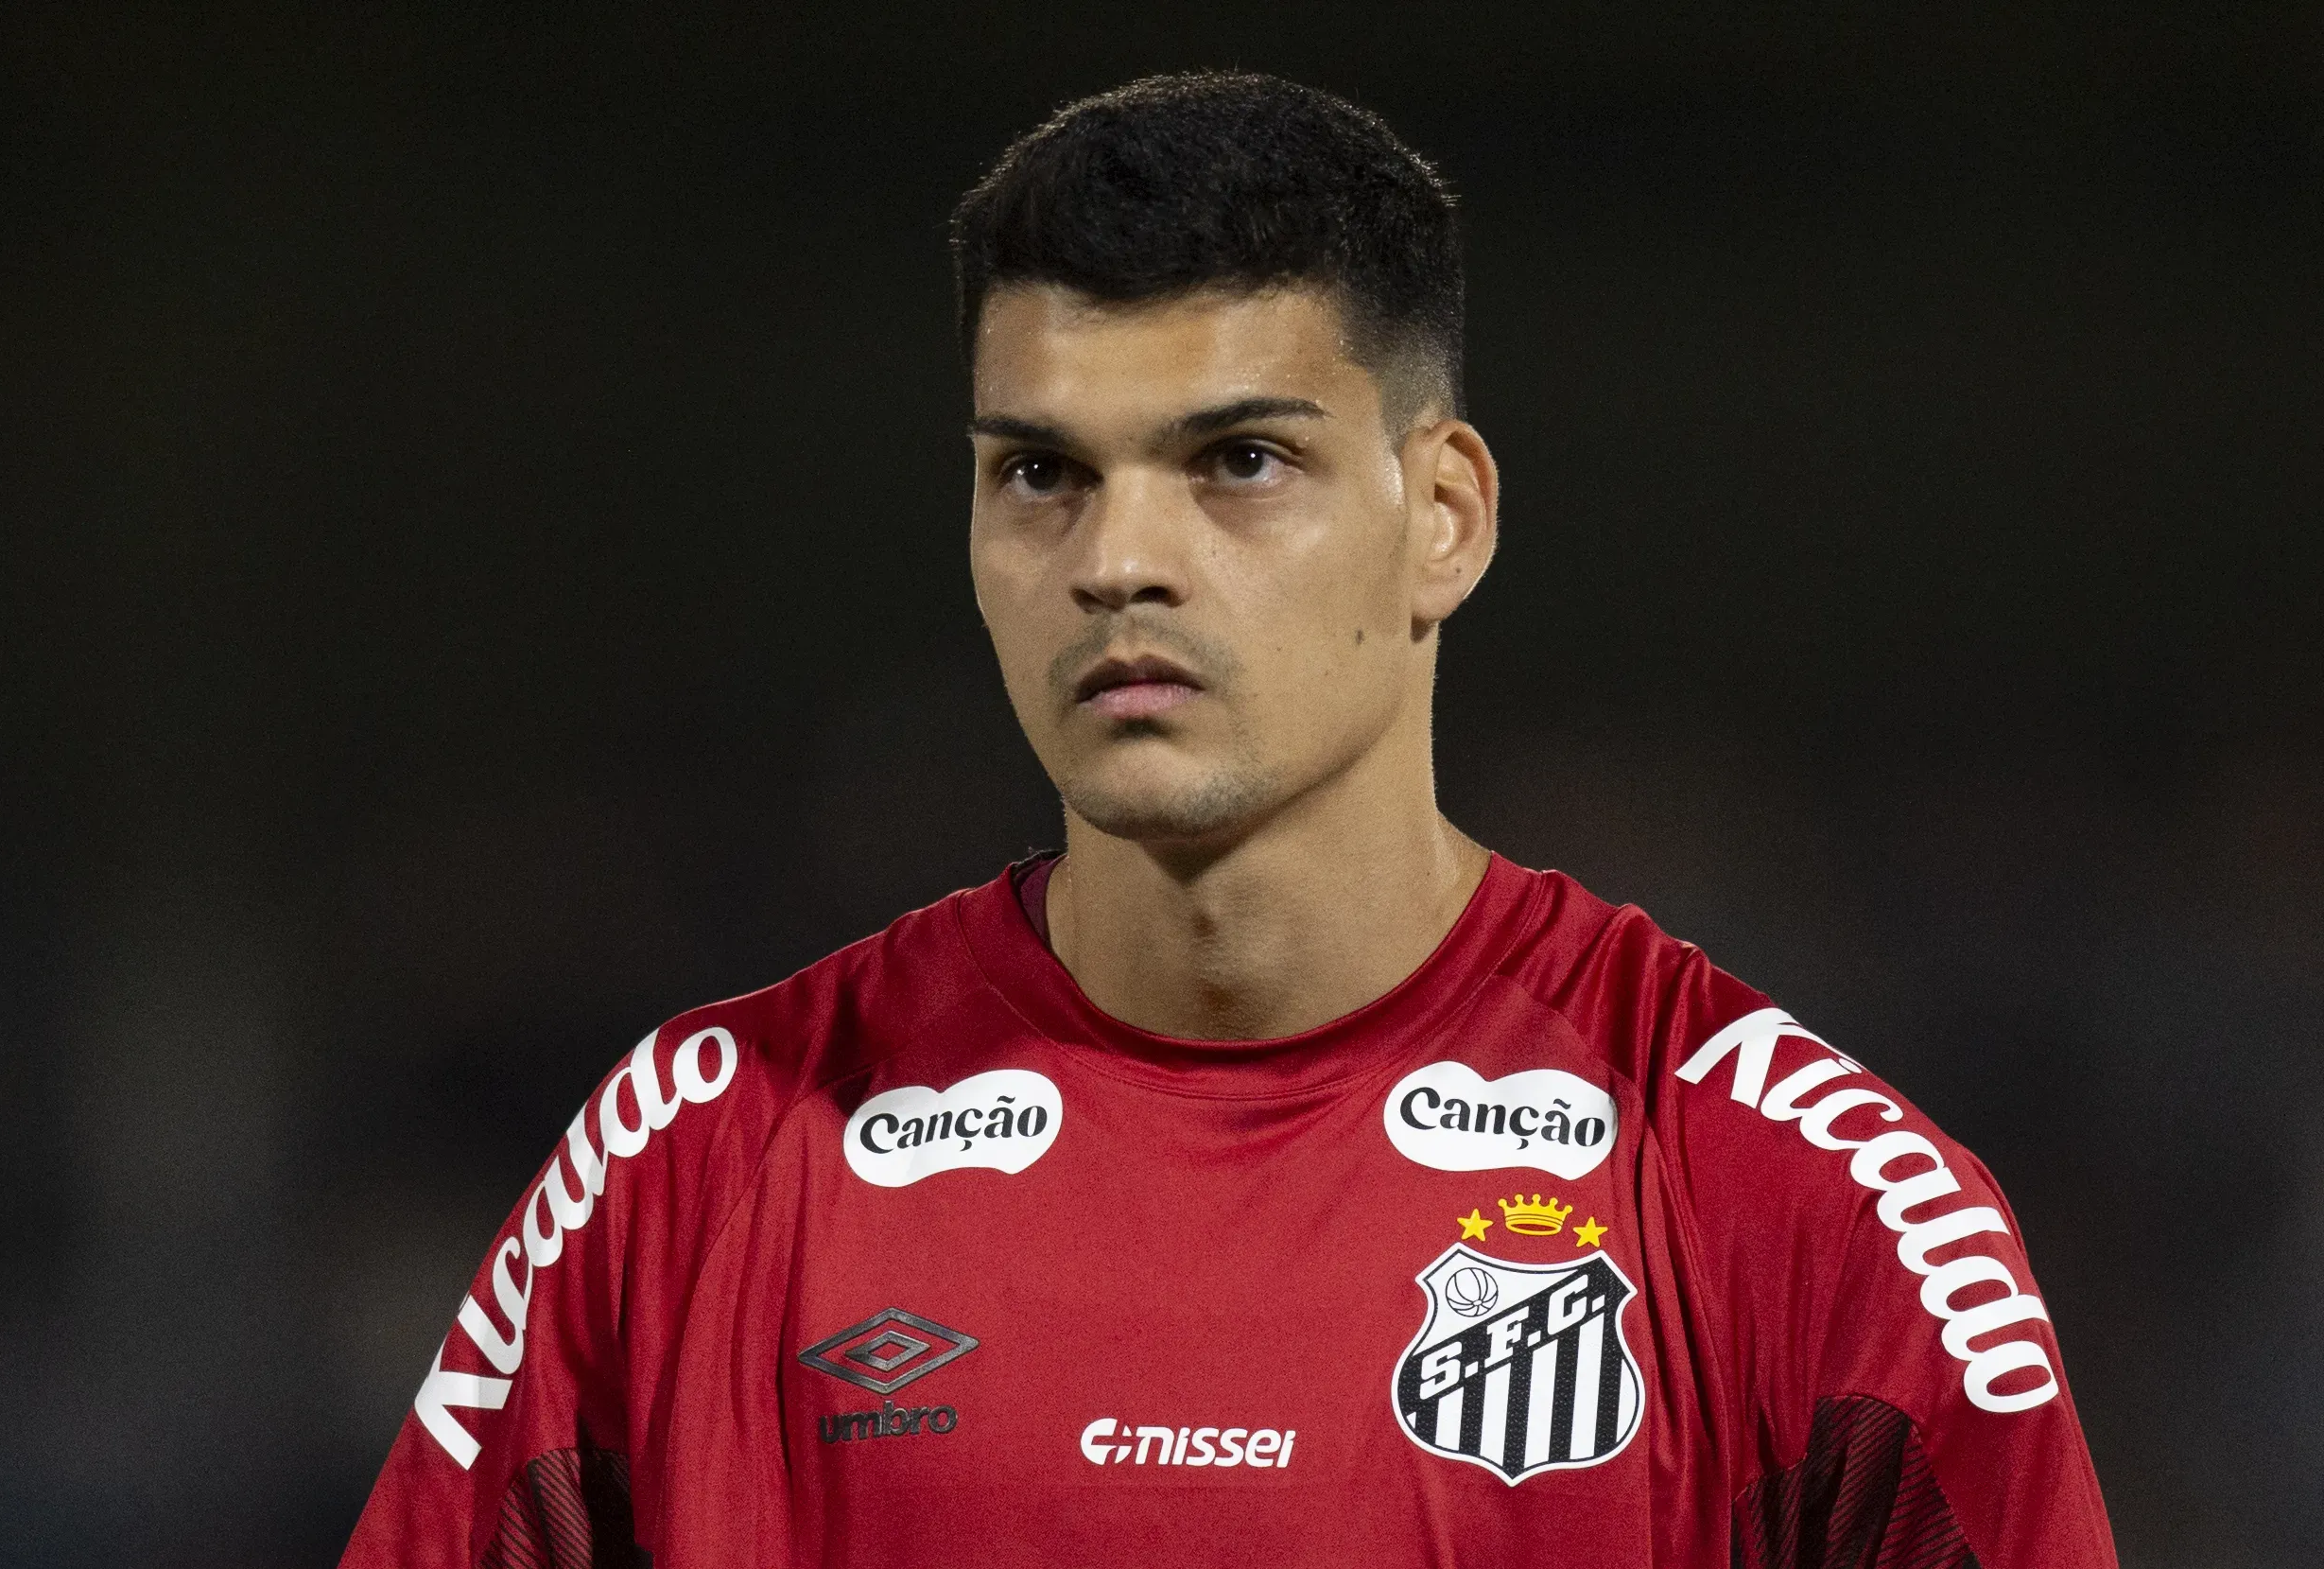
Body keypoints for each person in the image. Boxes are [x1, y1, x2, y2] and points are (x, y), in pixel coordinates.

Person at [340, 72, 2116, 1568]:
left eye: (1237, 462)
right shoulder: (703, 1167)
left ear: (1446, 515)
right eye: (1041, 471)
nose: (1117, 561)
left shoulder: (1797, 1204)